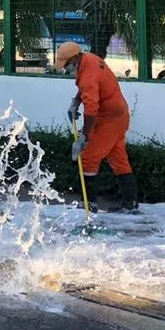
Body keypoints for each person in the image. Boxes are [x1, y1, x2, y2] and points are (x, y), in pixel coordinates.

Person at [56, 41, 137, 211]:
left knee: (88, 157)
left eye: (67, 64)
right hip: (119, 115)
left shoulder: (88, 75)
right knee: (118, 159)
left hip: (109, 118)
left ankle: (89, 203)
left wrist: (85, 137)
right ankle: (131, 204)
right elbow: (87, 89)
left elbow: (91, 109)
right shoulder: (90, 59)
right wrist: (76, 102)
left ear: (76, 57)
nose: (66, 68)